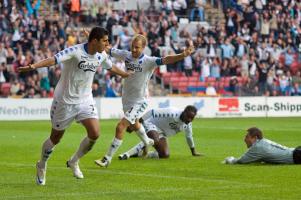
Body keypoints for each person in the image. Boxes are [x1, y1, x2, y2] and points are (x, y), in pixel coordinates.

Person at [18, 27, 132, 186]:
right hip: (64, 101)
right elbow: (53, 59)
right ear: (94, 41)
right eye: (105, 40)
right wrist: (33, 67)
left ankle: (74, 160)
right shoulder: (75, 51)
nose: (108, 43)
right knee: (55, 138)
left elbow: (110, 66)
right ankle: (42, 165)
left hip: (85, 100)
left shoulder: (101, 54)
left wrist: (124, 74)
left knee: (95, 133)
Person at [91, 32, 195, 167]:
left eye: (137, 48)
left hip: (140, 101)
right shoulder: (126, 55)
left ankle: (107, 159)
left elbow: (166, 59)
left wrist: (182, 55)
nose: (134, 50)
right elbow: (108, 50)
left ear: (143, 48)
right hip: (127, 100)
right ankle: (147, 141)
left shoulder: (148, 61)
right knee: (135, 125)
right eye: (132, 47)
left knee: (121, 126)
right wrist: (94, 40)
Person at [118, 105, 202, 160]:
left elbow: (189, 137)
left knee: (165, 155)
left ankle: (138, 153)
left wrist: (193, 151)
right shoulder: (171, 112)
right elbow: (152, 112)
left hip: (161, 133)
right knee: (155, 139)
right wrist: (136, 124)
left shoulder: (187, 124)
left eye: (192, 118)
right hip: (151, 124)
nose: (189, 120)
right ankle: (127, 154)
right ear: (184, 112)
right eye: (188, 117)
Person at [223, 127, 301, 164]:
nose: (244, 139)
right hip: (296, 152)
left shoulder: (258, 147)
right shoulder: (263, 142)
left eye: (247, 137)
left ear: (255, 138)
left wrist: (230, 159)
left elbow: (241, 161)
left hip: (297, 156)